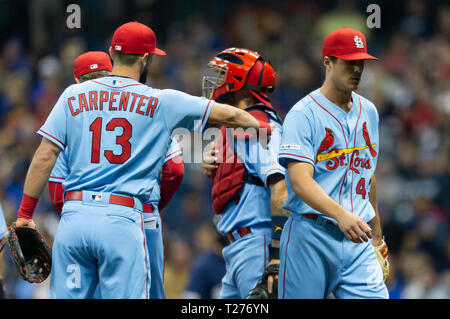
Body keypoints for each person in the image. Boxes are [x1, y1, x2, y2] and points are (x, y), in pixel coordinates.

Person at [13, 21, 273, 299]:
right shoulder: (162, 101)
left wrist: (25, 216)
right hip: (121, 219)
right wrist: (266, 128)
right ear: (146, 57)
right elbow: (230, 117)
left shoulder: (72, 94)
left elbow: (44, 156)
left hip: (74, 219)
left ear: (112, 53)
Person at [47, 50, 184, 299]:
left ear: (76, 82)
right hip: (139, 218)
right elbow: (175, 170)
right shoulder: (146, 105)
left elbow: (57, 192)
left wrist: (80, 212)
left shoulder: (70, 111)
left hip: (80, 221)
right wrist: (145, 205)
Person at [277, 27, 389, 299]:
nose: (357, 69)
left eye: (361, 62)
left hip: (358, 239)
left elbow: (367, 174)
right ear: (328, 62)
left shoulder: (369, 111)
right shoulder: (303, 114)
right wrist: (340, 215)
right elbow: (300, 182)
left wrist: (377, 235)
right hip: (311, 236)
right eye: (349, 62)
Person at [201, 48, 288, 298]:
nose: (214, 82)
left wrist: (275, 256)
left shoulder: (259, 126)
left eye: (221, 75)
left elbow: (281, 188)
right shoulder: (238, 125)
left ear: (237, 82)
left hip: (258, 246)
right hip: (237, 248)